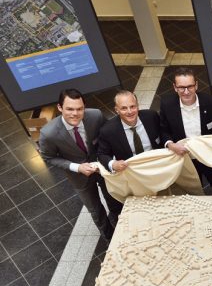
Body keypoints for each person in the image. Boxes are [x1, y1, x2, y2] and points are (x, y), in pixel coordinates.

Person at [39, 89, 122, 240]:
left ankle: (123, 225)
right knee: (96, 211)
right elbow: (48, 157)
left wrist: (111, 159)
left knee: (114, 198)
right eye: (70, 109)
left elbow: (109, 134)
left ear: (84, 107)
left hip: (102, 168)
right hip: (79, 177)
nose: (75, 114)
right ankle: (110, 238)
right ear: (60, 108)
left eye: (79, 109)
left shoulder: (96, 116)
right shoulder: (48, 133)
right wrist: (77, 167)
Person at [159, 67, 212, 194]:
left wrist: (210, 143)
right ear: (175, 87)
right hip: (185, 158)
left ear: (196, 85)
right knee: (192, 191)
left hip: (209, 155)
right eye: (181, 87)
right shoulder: (167, 104)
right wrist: (171, 145)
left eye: (190, 87)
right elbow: (163, 130)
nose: (186, 92)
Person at [98, 90, 162, 172]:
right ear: (116, 110)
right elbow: (102, 154)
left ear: (137, 106)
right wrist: (113, 164)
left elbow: (164, 133)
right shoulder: (108, 130)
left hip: (156, 162)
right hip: (131, 169)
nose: (129, 112)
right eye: (124, 108)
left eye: (132, 106)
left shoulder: (151, 116)